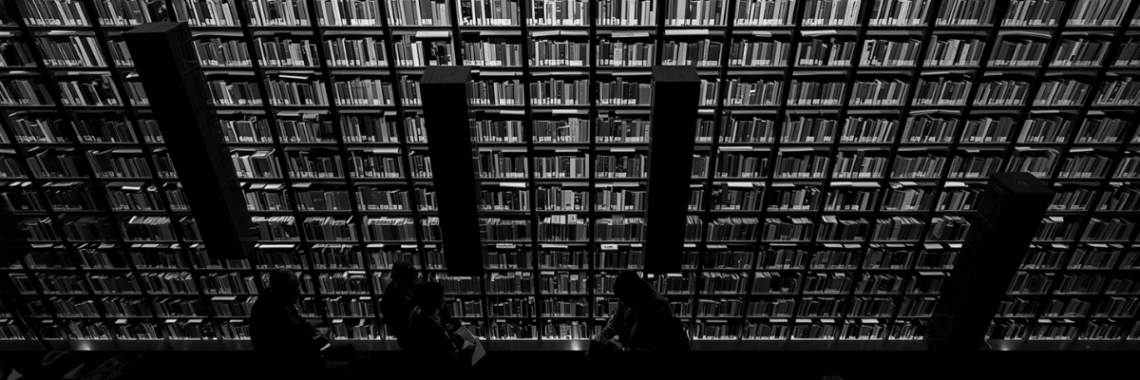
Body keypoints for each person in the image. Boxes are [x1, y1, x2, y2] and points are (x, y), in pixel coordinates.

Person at [251, 268, 353, 378]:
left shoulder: (278, 297)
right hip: (296, 366)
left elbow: (300, 322)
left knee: (348, 348)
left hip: (304, 353)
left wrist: (315, 332)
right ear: (286, 292)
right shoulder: (272, 316)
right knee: (348, 365)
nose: (300, 292)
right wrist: (318, 341)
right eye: (296, 291)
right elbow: (295, 348)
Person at [592, 271, 690, 353]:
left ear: (633, 292)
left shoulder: (658, 308)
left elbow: (653, 346)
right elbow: (616, 319)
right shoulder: (627, 296)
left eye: (625, 298)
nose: (623, 302)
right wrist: (602, 336)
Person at [380, 262, 460, 350]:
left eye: (415, 282)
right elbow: (400, 330)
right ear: (400, 283)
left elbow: (433, 301)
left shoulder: (412, 287)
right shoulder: (389, 302)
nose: (415, 286)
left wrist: (445, 322)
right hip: (413, 341)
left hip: (427, 331)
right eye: (412, 284)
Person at [405, 282, 477, 371]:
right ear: (436, 302)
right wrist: (466, 351)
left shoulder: (419, 314)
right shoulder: (431, 331)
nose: (444, 298)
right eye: (442, 296)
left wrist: (447, 331)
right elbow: (449, 360)